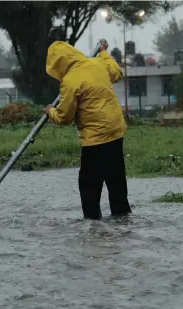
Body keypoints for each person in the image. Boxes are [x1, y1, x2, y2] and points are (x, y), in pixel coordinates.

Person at [42, 39, 132, 220]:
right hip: (115, 132)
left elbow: (64, 117)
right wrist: (104, 53)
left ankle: (92, 227)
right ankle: (123, 224)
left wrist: (50, 111)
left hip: (95, 140)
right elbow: (116, 72)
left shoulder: (70, 81)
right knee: (116, 184)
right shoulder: (97, 63)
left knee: (89, 186)